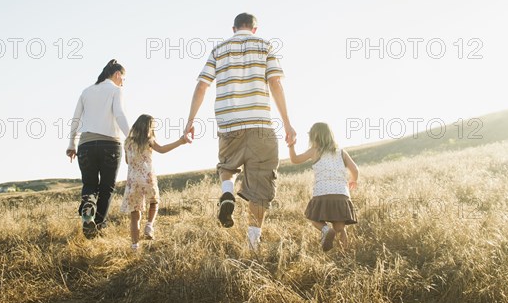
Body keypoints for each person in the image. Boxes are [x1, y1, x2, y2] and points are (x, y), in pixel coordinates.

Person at [183, 13, 296, 251]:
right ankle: (253, 242)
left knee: (227, 165)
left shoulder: (219, 49)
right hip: (260, 126)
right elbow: (275, 83)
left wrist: (190, 121)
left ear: (233, 28)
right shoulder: (265, 46)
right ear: (255, 29)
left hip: (229, 124)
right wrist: (287, 123)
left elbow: (202, 85)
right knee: (261, 184)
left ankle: (227, 193)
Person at [66, 59, 130, 239]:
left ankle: (88, 209)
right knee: (107, 187)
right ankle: (98, 228)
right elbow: (119, 114)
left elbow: (75, 120)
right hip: (110, 144)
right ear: (117, 74)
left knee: (89, 184)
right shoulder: (117, 91)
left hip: (85, 144)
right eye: (123, 78)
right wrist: (132, 137)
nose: (123, 82)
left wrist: (71, 143)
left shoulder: (86, 92)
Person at [120, 114, 190, 252]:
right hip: (147, 177)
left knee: (135, 215)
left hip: (133, 181)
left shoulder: (127, 141)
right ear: (148, 127)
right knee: (154, 201)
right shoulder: (149, 140)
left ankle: (134, 247)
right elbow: (162, 149)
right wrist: (180, 141)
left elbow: (127, 161)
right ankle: (149, 225)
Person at [288, 122, 359, 251]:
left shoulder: (314, 151)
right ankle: (345, 255)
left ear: (314, 137)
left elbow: (295, 160)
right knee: (340, 229)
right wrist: (353, 180)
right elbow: (355, 169)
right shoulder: (341, 152)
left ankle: (325, 230)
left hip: (322, 193)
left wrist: (291, 146)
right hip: (341, 194)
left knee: (312, 217)